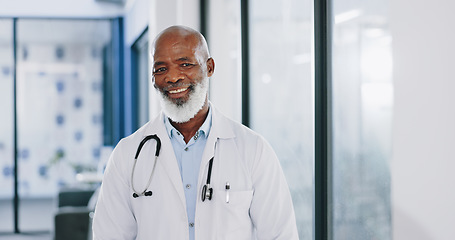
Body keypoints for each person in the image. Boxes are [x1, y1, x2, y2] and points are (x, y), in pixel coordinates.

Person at [92, 25, 298, 240]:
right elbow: (109, 235)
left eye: (185, 64)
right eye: (161, 69)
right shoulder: (127, 154)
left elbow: (281, 235)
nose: (172, 77)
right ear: (152, 77)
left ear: (209, 67)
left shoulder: (253, 150)